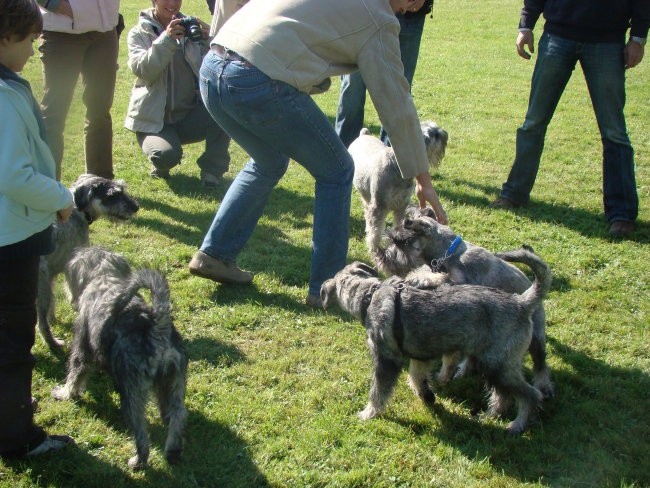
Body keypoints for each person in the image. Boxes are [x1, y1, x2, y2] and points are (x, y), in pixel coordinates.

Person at [188, 0, 448, 307]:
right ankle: (330, 286)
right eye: (415, 1)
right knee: (337, 170)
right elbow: (396, 103)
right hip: (254, 80)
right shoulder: (379, 18)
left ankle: (214, 254)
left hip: (213, 67)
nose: (411, 10)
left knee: (268, 161)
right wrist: (424, 180)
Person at [493, 0, 649, 238]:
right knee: (533, 123)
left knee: (614, 132)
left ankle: (622, 213)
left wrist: (638, 38)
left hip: (607, 41)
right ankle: (514, 193)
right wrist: (526, 25)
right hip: (557, 36)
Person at [0, 0, 75, 458]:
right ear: (6, 36)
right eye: (28, 38)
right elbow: (12, 174)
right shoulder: (4, 98)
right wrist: (61, 198)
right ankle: (15, 435)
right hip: (10, 239)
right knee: (12, 336)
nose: (35, 46)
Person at [125, 0, 231, 187]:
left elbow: (218, 68)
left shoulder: (190, 29)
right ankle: (161, 158)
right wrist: (167, 39)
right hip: (154, 122)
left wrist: (212, 40)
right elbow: (143, 69)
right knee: (165, 156)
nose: (172, 3)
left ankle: (212, 172)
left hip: (188, 115)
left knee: (225, 106)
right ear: (154, 1)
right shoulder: (139, 33)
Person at [36, 0, 120, 180]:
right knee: (54, 113)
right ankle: (48, 186)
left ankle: (102, 184)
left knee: (100, 110)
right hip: (61, 31)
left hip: (104, 31)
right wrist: (53, 3)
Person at [335, 0, 434, 148]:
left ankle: (391, 159)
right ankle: (342, 159)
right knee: (353, 87)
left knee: (399, 90)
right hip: (367, 9)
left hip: (410, 15)